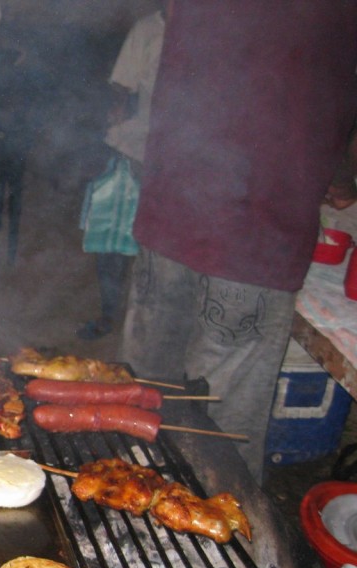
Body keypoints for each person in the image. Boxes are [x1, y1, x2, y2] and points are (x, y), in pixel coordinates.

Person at [116, 0, 357, 483]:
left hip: (170, 203)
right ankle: (214, 537)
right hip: (256, 225)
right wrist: (340, 167)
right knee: (221, 421)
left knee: (146, 387)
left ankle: (137, 493)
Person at [77, 4, 165, 341]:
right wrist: (114, 121)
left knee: (161, 249)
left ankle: (153, 323)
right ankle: (109, 314)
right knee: (113, 239)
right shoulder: (147, 30)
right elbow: (121, 85)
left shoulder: (211, 30)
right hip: (140, 145)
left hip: (186, 159)